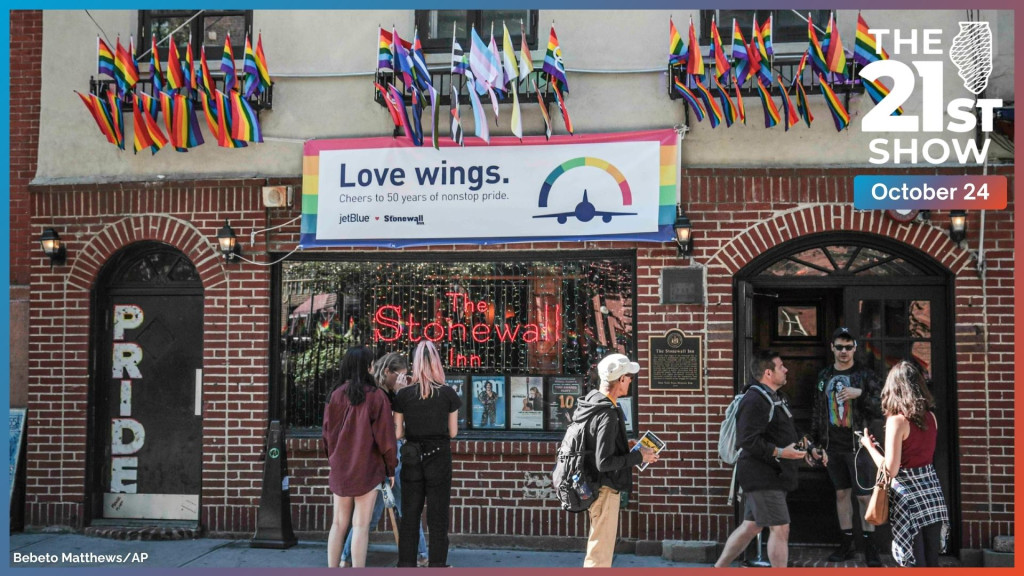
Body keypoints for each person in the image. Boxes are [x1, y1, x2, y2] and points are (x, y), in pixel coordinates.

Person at [715, 350, 806, 568]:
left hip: (770, 474)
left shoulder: (777, 397)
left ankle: (718, 569)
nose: (786, 369)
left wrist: (808, 450)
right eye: (781, 366)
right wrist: (783, 453)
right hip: (762, 476)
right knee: (780, 527)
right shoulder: (754, 399)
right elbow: (748, 440)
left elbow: (788, 430)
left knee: (751, 526)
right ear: (768, 372)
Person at [339, 352, 428, 568]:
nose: (403, 381)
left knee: (378, 511)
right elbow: (390, 430)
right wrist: (399, 395)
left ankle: (346, 557)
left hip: (385, 459)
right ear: (387, 372)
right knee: (401, 506)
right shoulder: (380, 394)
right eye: (400, 376)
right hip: (387, 459)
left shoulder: (382, 392)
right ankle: (421, 554)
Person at [860, 361, 949, 567]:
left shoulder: (897, 421)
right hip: (932, 493)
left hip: (908, 497)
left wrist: (869, 447)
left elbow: (890, 470)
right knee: (931, 562)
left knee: (914, 563)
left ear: (894, 388)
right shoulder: (931, 417)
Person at [574, 353, 658, 567]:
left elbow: (597, 446)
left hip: (592, 485)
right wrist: (640, 456)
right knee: (599, 555)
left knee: (597, 549)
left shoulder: (592, 402)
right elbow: (604, 462)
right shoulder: (608, 414)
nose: (631, 380)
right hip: (604, 490)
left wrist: (624, 445)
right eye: (629, 376)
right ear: (621, 379)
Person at [811, 327, 884, 566]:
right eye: (839, 346)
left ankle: (870, 547)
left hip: (859, 446)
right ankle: (847, 544)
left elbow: (883, 404)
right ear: (832, 347)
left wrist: (860, 394)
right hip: (833, 446)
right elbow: (818, 412)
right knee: (841, 494)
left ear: (855, 348)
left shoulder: (865, 375)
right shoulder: (824, 376)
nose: (844, 351)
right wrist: (815, 443)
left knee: (864, 497)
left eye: (848, 346)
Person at [322, 346, 398, 568]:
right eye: (372, 363)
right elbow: (386, 439)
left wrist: (333, 461)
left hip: (341, 468)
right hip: (368, 468)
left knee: (337, 523)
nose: (374, 367)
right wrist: (390, 468)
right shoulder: (376, 397)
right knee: (361, 526)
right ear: (367, 367)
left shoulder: (334, 395)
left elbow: (326, 435)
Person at [393, 341, 461, 567]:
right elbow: (452, 432)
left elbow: (397, 433)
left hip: (412, 458)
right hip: (439, 457)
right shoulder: (448, 394)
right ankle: (437, 565)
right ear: (436, 363)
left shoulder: (403, 395)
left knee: (410, 516)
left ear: (414, 363)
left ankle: (406, 565)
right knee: (438, 517)